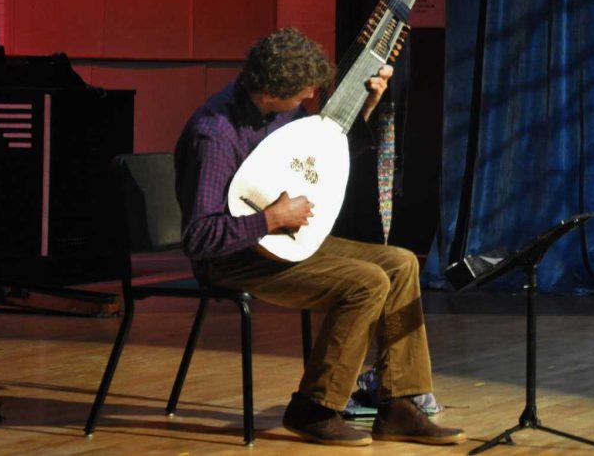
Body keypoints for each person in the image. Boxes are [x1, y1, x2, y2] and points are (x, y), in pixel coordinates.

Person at [174, 27, 465, 447]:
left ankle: (400, 401)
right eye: (301, 96)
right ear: (271, 92)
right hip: (234, 259)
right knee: (367, 283)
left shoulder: (280, 113)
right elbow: (200, 238)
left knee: (401, 263)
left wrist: (366, 106)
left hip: (284, 240)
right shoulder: (215, 134)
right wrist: (270, 218)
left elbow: (318, 156)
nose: (307, 102)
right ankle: (314, 406)